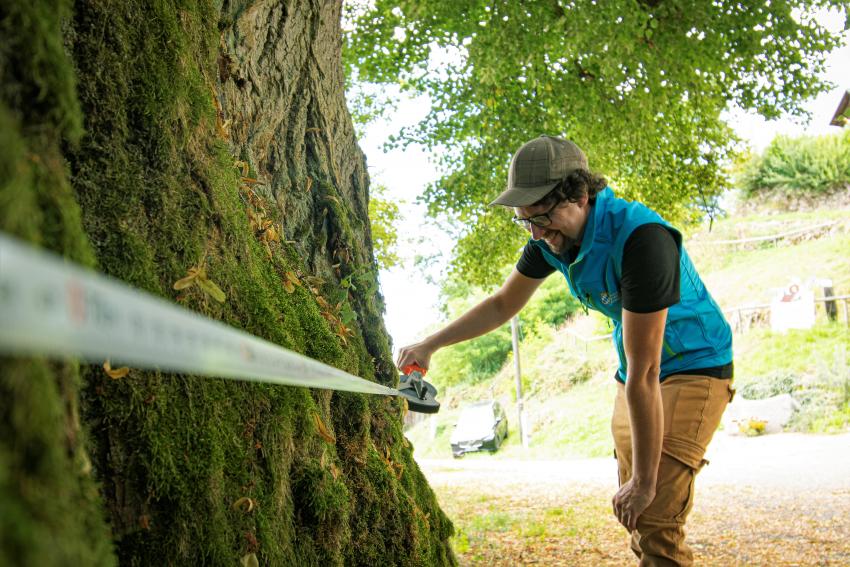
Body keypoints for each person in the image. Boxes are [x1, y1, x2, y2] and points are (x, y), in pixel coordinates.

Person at [396, 135, 735, 566]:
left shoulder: (642, 240)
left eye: (544, 218)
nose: (538, 233)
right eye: (526, 222)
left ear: (580, 194)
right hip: (635, 373)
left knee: (653, 509)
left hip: (695, 365)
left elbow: (645, 372)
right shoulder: (551, 240)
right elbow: (503, 303)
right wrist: (431, 344)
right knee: (639, 518)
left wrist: (647, 482)